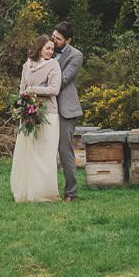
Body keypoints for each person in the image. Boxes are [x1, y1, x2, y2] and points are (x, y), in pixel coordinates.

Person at [9, 33, 62, 203]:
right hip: (29, 112)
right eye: (48, 48)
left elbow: (54, 89)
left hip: (48, 113)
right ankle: (27, 190)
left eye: (52, 49)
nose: (50, 52)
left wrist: (33, 90)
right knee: (29, 152)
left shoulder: (53, 65)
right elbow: (22, 87)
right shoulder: (27, 65)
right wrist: (21, 105)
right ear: (39, 47)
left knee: (45, 153)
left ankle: (44, 192)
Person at [51, 21, 83, 201]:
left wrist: (40, 84)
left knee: (65, 152)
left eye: (58, 39)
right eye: (53, 36)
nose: (54, 40)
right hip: (47, 108)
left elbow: (62, 80)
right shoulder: (48, 50)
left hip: (65, 110)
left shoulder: (76, 55)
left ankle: (71, 193)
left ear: (68, 40)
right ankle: (47, 190)